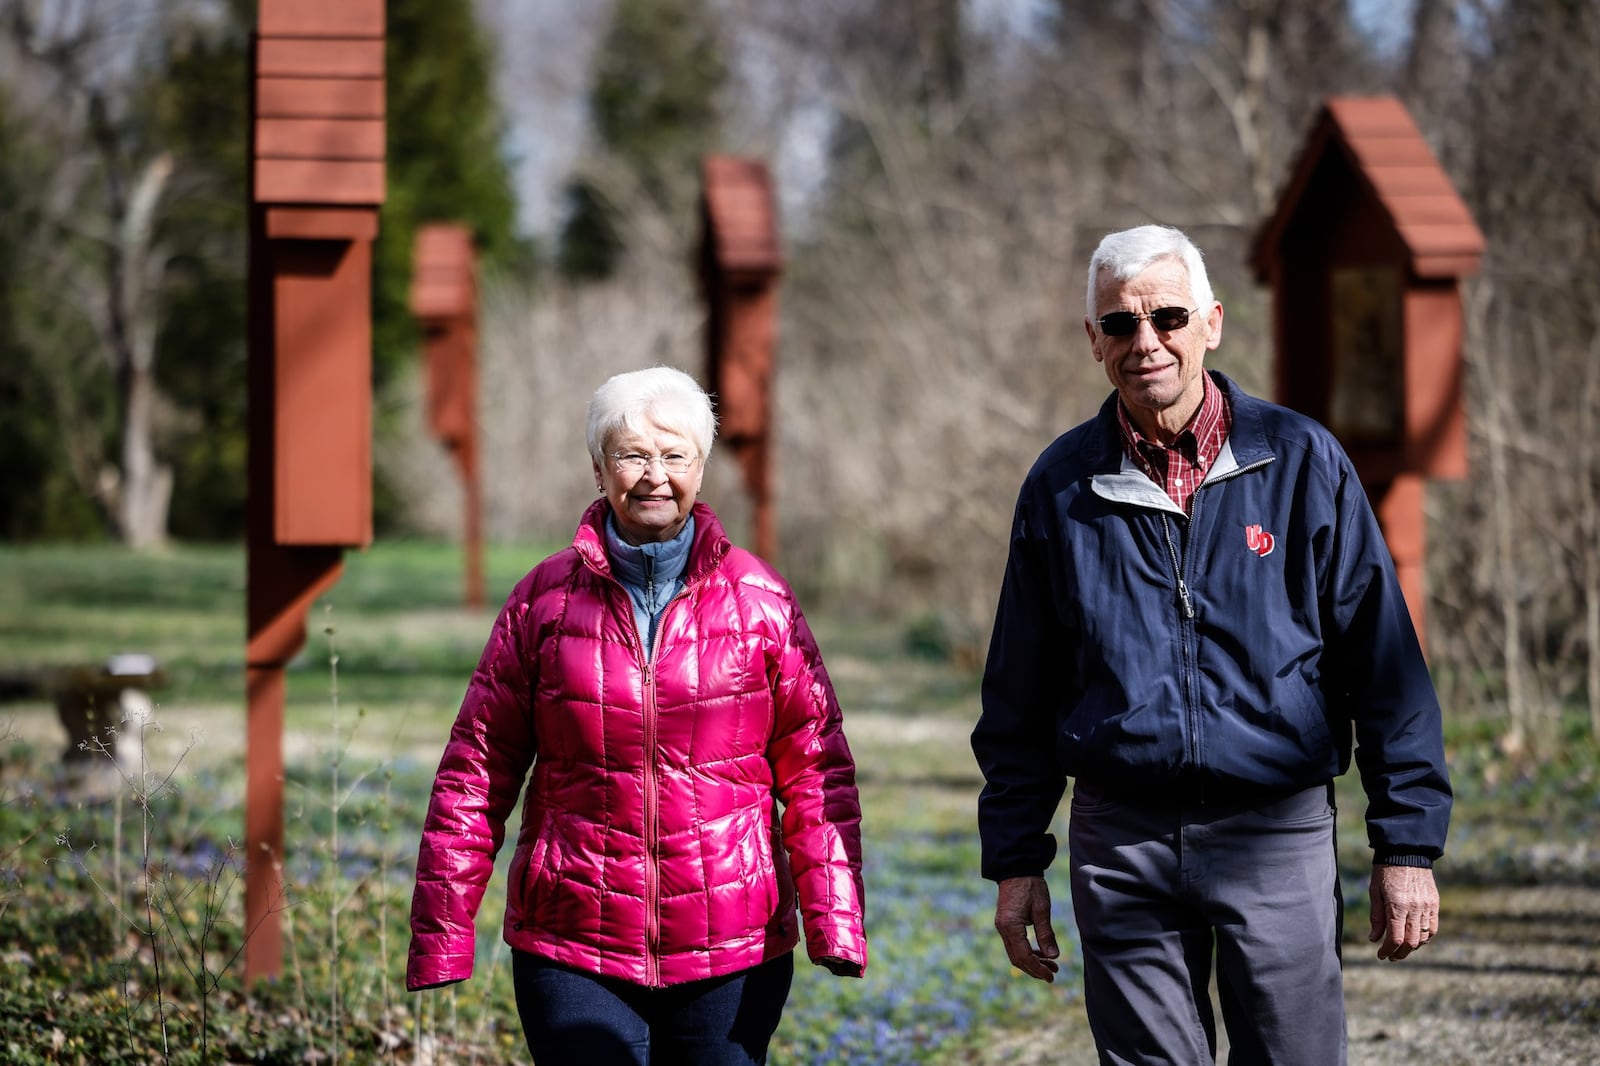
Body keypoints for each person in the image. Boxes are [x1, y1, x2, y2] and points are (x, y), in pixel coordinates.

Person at [971, 225, 1452, 1064]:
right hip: (1120, 839)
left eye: (1168, 317)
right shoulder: (1060, 487)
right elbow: (1020, 691)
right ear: (1094, 340)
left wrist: (1405, 845)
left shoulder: (1303, 462)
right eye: (1120, 324)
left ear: (1213, 323)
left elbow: (1384, 667)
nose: (1145, 342)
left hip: (1276, 828)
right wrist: (1016, 862)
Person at [407, 366, 867, 1065]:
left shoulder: (762, 602)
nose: (654, 475)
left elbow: (815, 771)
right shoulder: (543, 603)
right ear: (599, 470)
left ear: (702, 468)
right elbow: (475, 771)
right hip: (571, 943)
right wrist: (443, 928)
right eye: (632, 455)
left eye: (674, 455)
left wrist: (835, 917)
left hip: (732, 948)